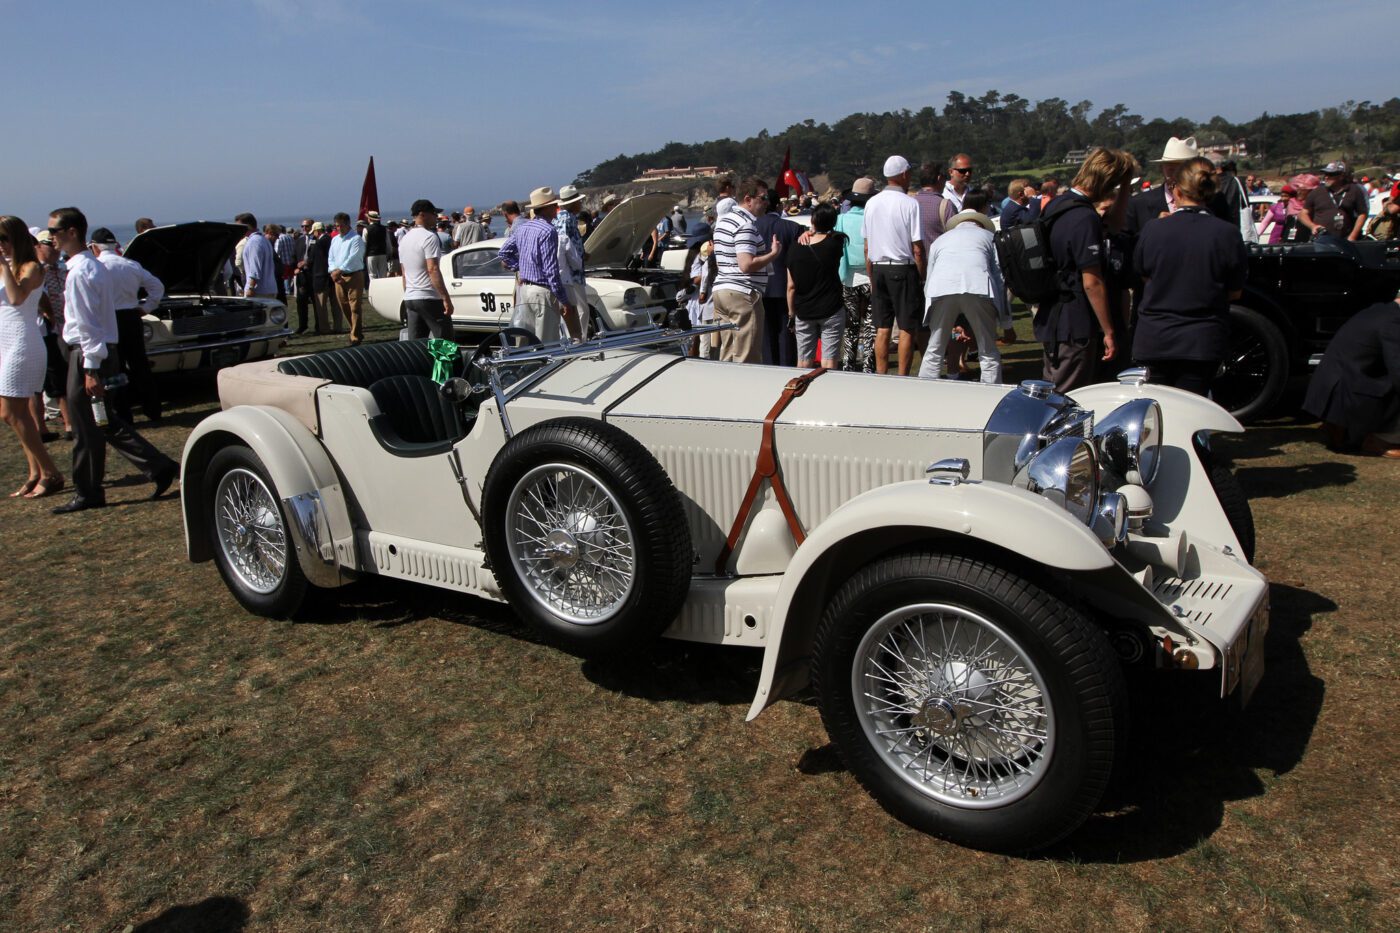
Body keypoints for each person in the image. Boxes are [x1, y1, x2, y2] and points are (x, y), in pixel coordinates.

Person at [47, 206, 178, 513]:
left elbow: (88, 324)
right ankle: (158, 466)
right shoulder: (93, 267)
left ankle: (88, 490)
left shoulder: (81, 271)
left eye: (54, 231)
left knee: (85, 426)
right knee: (102, 421)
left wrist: (90, 368)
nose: (50, 236)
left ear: (71, 233)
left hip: (89, 355)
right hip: (100, 352)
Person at [1132, 157, 1249, 396]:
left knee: (1158, 413)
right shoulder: (1227, 234)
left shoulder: (1153, 229)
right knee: (1193, 410)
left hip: (1156, 336)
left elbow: (1143, 275)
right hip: (1201, 338)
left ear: (1176, 189)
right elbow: (1234, 291)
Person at [1033, 148, 1138, 392]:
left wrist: (1124, 188)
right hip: (1074, 322)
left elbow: (1113, 224)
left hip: (1054, 317)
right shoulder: (1084, 218)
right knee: (1068, 397)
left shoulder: (1058, 206)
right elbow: (1092, 281)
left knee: (1056, 390)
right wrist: (1109, 331)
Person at [0, 217, 63, 498]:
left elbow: (16, 299)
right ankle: (35, 471)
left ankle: (50, 472)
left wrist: (3, 266)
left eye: (3, 239)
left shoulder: (30, 267)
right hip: (5, 342)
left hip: (23, 342)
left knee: (10, 413)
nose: (1, 245)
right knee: (18, 415)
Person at [917, 193, 1008, 384]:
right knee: (987, 350)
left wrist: (929, 310)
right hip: (978, 286)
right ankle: (990, 396)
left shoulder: (940, 240)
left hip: (941, 288)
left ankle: (924, 394)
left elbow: (930, 276)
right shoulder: (989, 237)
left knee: (935, 348)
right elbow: (999, 276)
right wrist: (1006, 321)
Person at [1303, 295, 1400, 458]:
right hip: (1348, 395)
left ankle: (1337, 427)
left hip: (1334, 391)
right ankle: (1380, 440)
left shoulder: (1378, 310)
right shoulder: (1394, 321)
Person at [89, 228, 165, 423]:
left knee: (116, 367)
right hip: (131, 316)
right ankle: (153, 409)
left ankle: (124, 413)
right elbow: (157, 286)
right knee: (140, 364)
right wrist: (146, 307)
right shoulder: (131, 264)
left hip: (110, 318)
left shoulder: (97, 267)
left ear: (95, 248)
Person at [863, 155, 926, 376]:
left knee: (882, 327)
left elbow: (867, 246)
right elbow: (917, 247)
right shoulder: (910, 203)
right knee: (907, 326)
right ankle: (902, 375)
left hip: (878, 266)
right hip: (902, 266)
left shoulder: (871, 203)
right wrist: (921, 275)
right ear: (903, 175)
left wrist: (871, 276)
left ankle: (881, 374)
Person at [711, 177, 782, 364]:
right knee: (747, 354)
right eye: (763, 198)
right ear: (748, 199)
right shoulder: (745, 225)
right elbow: (746, 265)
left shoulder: (724, 221)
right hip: (742, 294)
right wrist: (773, 254)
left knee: (727, 352)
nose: (767, 202)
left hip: (722, 290)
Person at [498, 187, 581, 341]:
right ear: (547, 208)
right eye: (554, 206)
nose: (557, 209)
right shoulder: (548, 231)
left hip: (525, 290)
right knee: (548, 342)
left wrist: (520, 267)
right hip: (542, 291)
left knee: (527, 340)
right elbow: (551, 271)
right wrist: (564, 301)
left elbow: (503, 253)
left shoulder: (523, 227)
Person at [785, 203, 846, 370]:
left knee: (803, 360)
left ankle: (801, 391)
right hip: (831, 307)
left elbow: (791, 286)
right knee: (829, 359)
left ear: (813, 220)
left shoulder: (794, 248)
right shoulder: (835, 243)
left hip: (804, 309)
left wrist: (791, 314)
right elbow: (832, 234)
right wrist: (814, 231)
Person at [755, 188, 804, 366]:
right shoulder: (792, 227)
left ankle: (769, 368)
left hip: (760, 287)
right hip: (785, 286)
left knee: (766, 338)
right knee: (786, 336)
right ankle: (786, 369)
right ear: (778, 205)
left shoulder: (753, 226)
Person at [399, 199, 455, 340]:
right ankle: (447, 363)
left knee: (416, 344)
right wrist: (445, 297)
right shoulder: (429, 237)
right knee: (444, 341)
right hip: (428, 295)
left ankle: (417, 363)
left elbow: (404, 273)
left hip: (411, 297)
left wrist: (408, 293)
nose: (436, 217)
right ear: (422, 214)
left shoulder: (404, 239)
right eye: (433, 214)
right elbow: (433, 269)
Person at [834, 177, 873, 372]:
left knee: (851, 325)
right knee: (870, 324)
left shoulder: (841, 219)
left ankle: (848, 364)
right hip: (870, 276)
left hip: (848, 276)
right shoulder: (873, 218)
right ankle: (868, 364)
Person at [1300, 161, 1369, 241]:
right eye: (1325, 174)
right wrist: (1312, 226)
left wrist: (1352, 236)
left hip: (1345, 241)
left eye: (1330, 174)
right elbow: (1303, 213)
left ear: (1341, 176)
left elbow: (1362, 214)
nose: (1326, 177)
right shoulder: (1317, 192)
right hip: (1320, 241)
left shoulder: (1354, 190)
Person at [554, 185, 589, 335]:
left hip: (568, 271)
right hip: (571, 271)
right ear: (574, 203)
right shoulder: (568, 219)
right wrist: (579, 256)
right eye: (578, 201)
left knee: (571, 309)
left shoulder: (562, 218)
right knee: (581, 309)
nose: (580, 204)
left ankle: (571, 338)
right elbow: (564, 244)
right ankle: (579, 339)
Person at [327, 212, 367, 345]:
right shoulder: (335, 239)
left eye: (340, 226)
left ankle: (354, 336)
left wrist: (340, 269)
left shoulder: (356, 239)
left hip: (354, 275)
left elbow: (354, 257)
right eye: (336, 226)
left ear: (348, 224)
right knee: (344, 305)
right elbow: (331, 258)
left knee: (355, 306)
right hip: (338, 277)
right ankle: (355, 329)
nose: (338, 228)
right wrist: (333, 271)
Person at [912, 163, 952, 255]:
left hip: (914, 264)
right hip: (939, 264)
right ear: (939, 178)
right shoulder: (946, 205)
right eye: (945, 177)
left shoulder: (910, 203)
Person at [308, 222, 340, 334]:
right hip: (332, 275)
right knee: (335, 304)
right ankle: (338, 326)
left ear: (317, 231)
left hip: (320, 276)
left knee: (321, 305)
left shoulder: (318, 244)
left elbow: (312, 260)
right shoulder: (331, 240)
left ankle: (324, 328)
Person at [236, 212, 276, 299]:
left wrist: (250, 287)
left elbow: (255, 267)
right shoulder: (263, 240)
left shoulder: (254, 242)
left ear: (248, 226)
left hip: (258, 290)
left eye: (239, 226)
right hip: (268, 287)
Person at [363, 211, 389, 279]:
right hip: (382, 253)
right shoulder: (384, 228)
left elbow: (364, 244)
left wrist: (363, 256)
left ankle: (374, 289)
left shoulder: (366, 229)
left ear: (369, 219)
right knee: (383, 275)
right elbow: (388, 242)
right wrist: (389, 253)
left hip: (371, 255)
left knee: (372, 275)